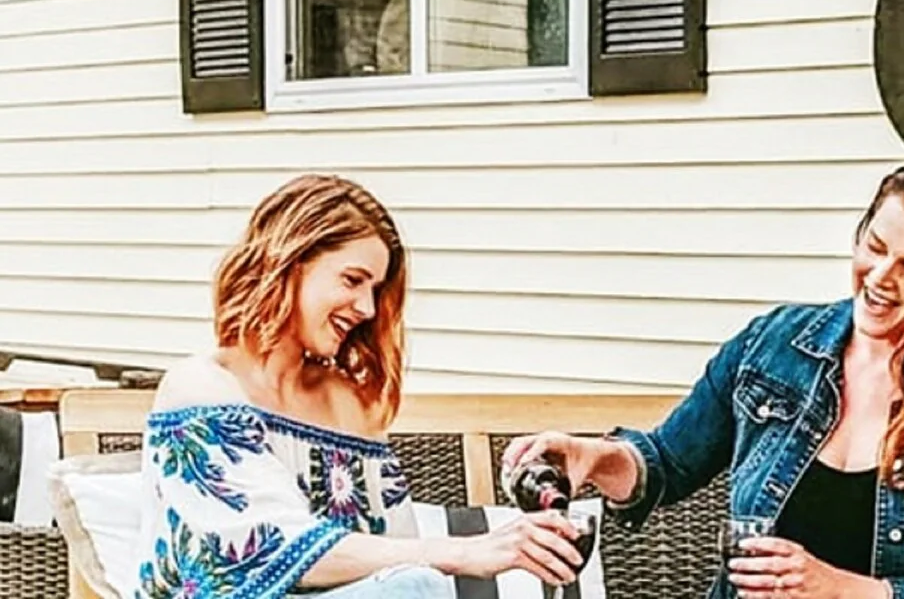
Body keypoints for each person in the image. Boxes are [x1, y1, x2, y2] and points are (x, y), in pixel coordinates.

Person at [504, 148, 904, 599]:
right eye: (874, 246)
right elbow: (668, 463)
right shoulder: (775, 346)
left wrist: (843, 591)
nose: (879, 278)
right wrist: (592, 457)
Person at [133, 174, 581, 598]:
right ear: (289, 263)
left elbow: (396, 556)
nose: (367, 308)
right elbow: (271, 545)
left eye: (375, 289)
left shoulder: (348, 405)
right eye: (352, 280)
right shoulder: (202, 387)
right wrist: (466, 551)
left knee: (416, 586)